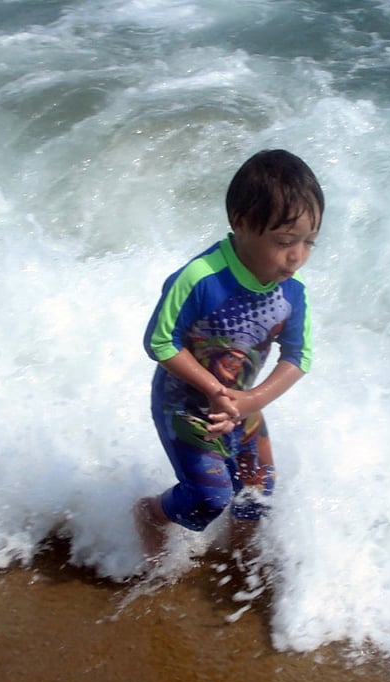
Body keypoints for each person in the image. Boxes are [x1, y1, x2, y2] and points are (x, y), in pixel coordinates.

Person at [134, 149, 324, 563]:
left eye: (309, 242)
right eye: (285, 241)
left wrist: (250, 401)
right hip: (184, 404)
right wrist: (215, 389)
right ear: (241, 224)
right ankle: (151, 514)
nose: (297, 256)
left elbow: (299, 357)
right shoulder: (201, 279)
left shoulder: (292, 294)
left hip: (240, 405)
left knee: (258, 491)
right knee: (209, 497)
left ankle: (236, 557)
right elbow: (159, 342)